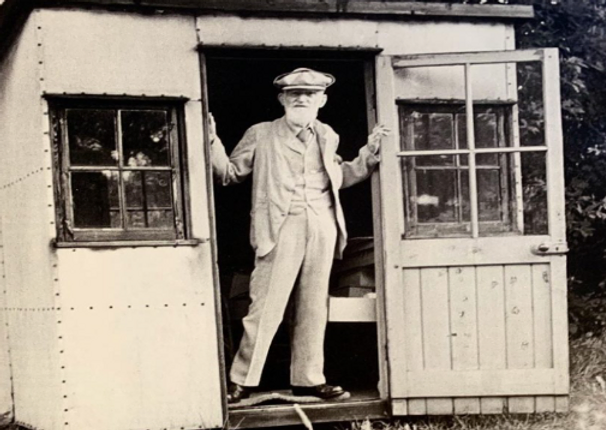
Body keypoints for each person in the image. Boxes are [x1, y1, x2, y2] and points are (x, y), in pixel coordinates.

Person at [209, 67, 389, 403]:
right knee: (266, 308)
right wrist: (210, 138)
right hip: (279, 229)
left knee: (313, 307)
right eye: (294, 94)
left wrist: (369, 153)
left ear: (322, 100)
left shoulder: (327, 134)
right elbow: (229, 174)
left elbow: (340, 177)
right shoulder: (261, 134)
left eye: (309, 94)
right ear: (282, 99)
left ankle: (308, 380)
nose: (301, 99)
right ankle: (242, 380)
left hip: (322, 226)